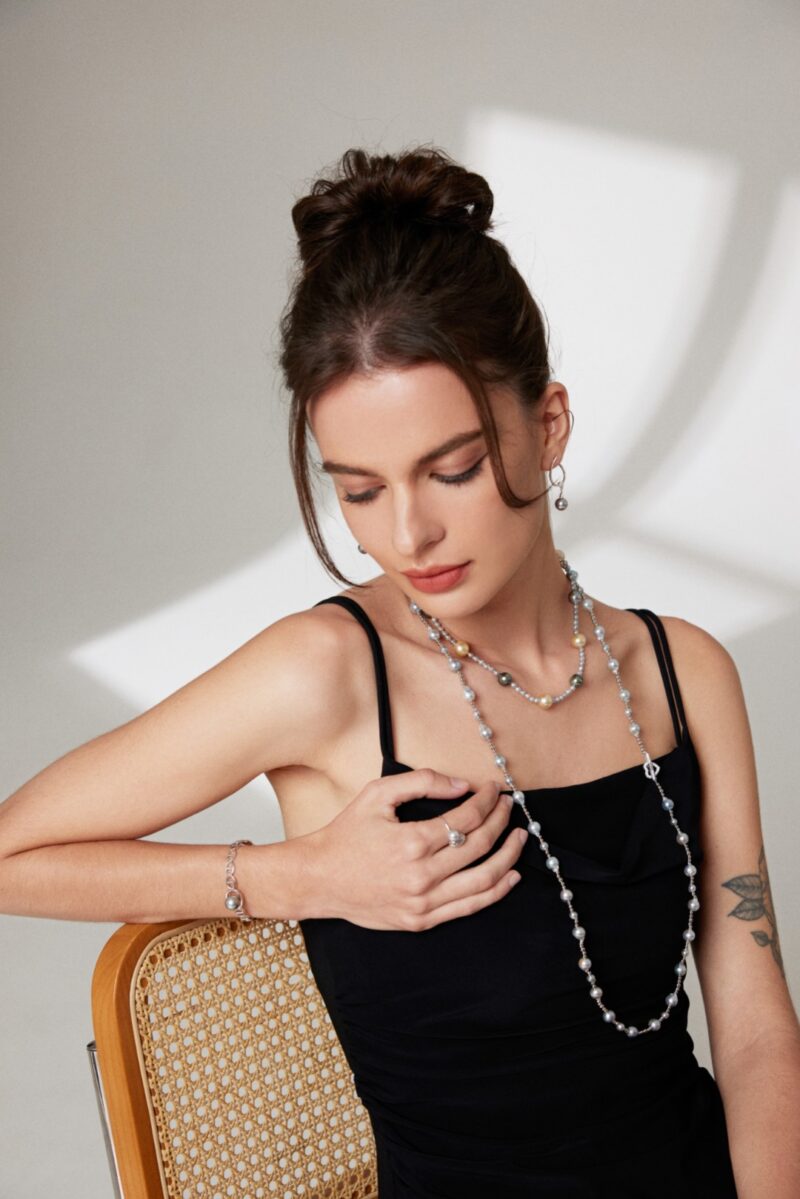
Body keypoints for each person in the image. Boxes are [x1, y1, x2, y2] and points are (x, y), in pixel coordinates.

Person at [1, 145, 798, 1197]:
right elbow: (15, 851)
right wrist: (296, 878)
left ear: (546, 424)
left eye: (453, 467)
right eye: (360, 490)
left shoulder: (680, 669)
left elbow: (749, 1023)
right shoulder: (325, 673)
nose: (409, 531)